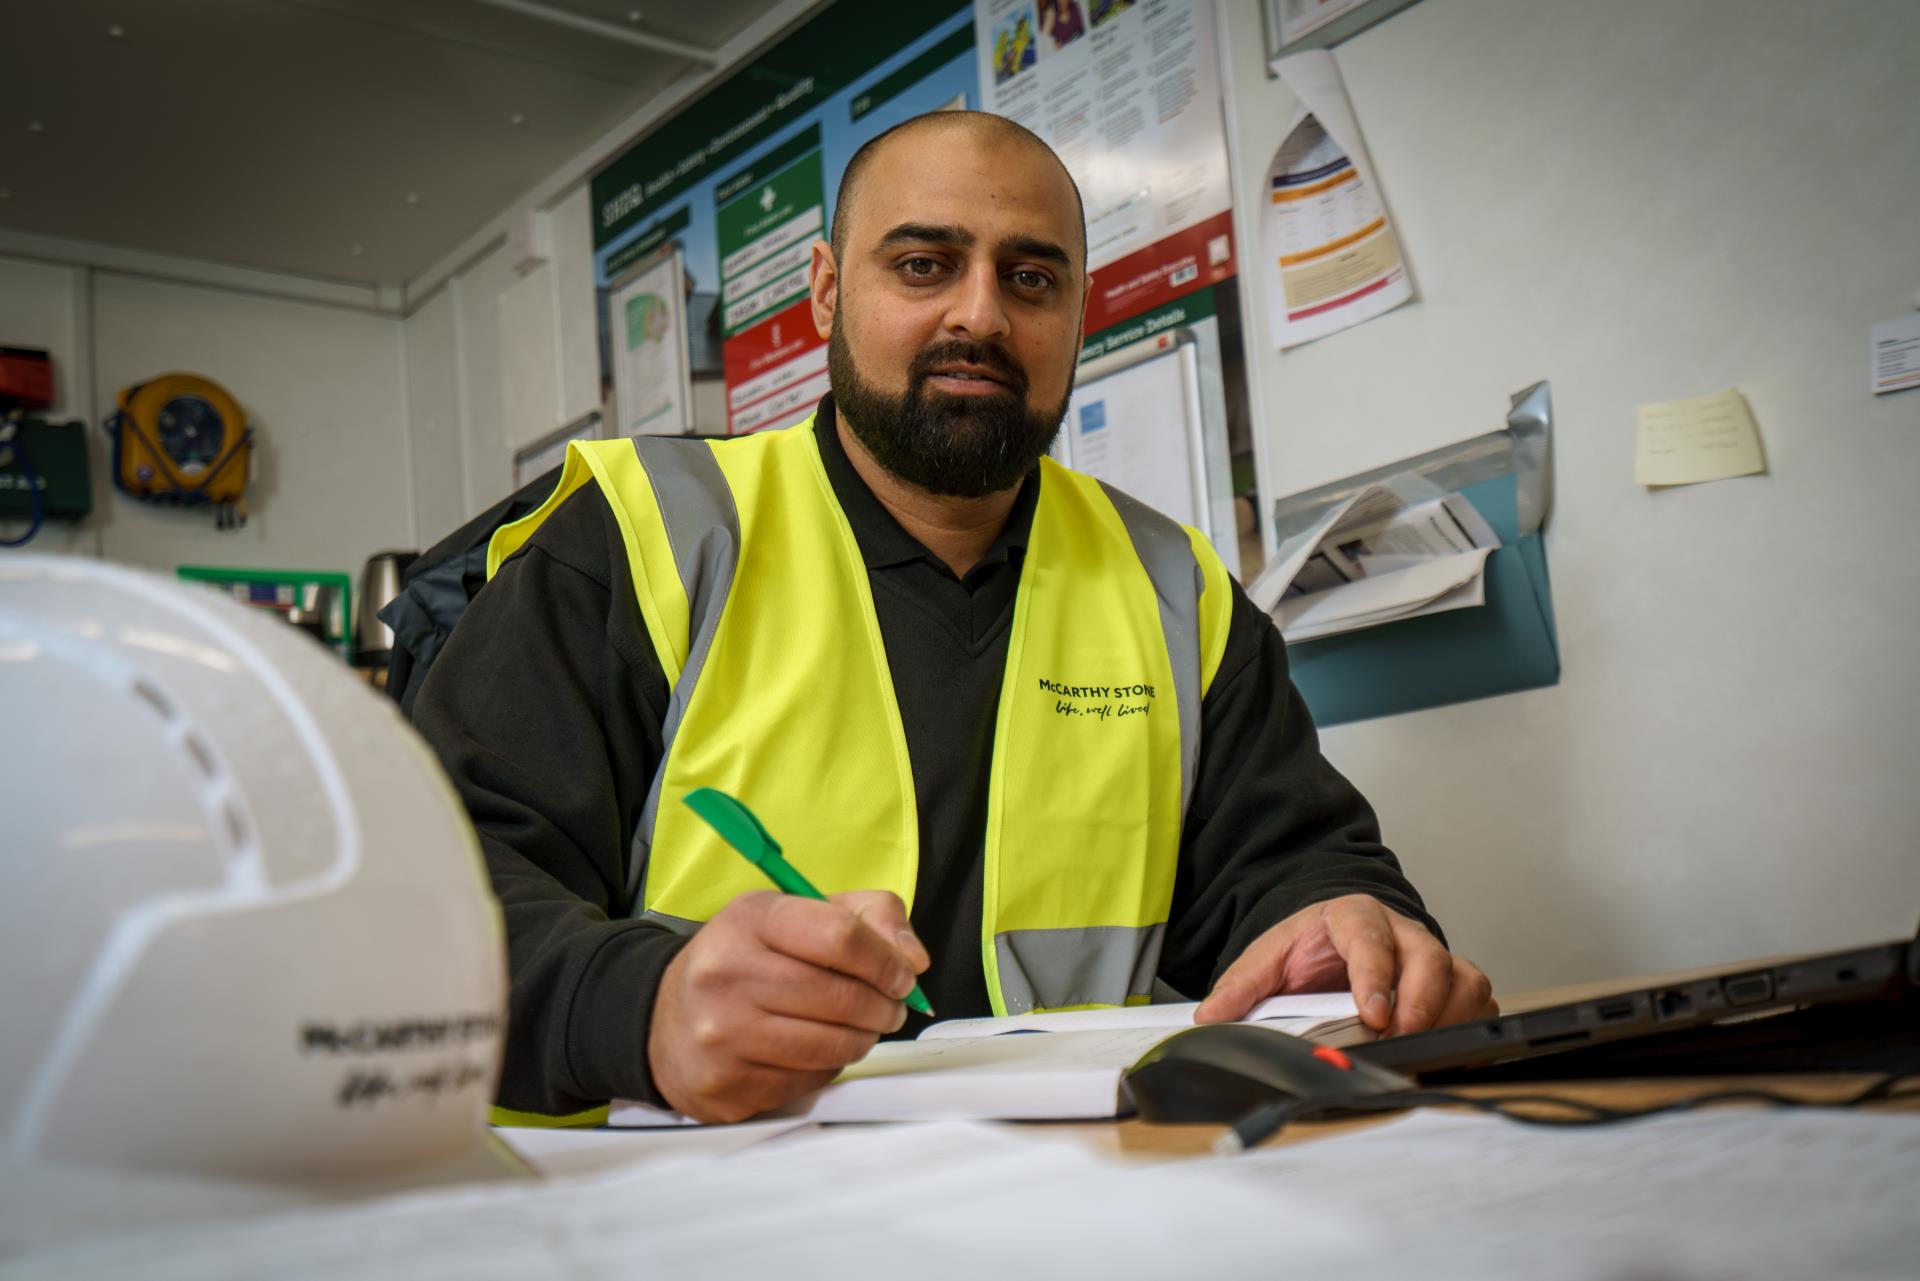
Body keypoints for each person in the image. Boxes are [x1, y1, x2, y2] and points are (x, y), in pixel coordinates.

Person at [413, 111, 1494, 1126]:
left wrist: (1347, 924)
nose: (980, 314)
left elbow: (1291, 866)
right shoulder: (636, 539)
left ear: (1076, 315)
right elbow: (434, 897)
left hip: (1082, 1192)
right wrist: (639, 1008)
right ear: (826, 294)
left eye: (1030, 277)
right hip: (674, 1204)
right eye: (924, 265)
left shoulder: (1178, 587)